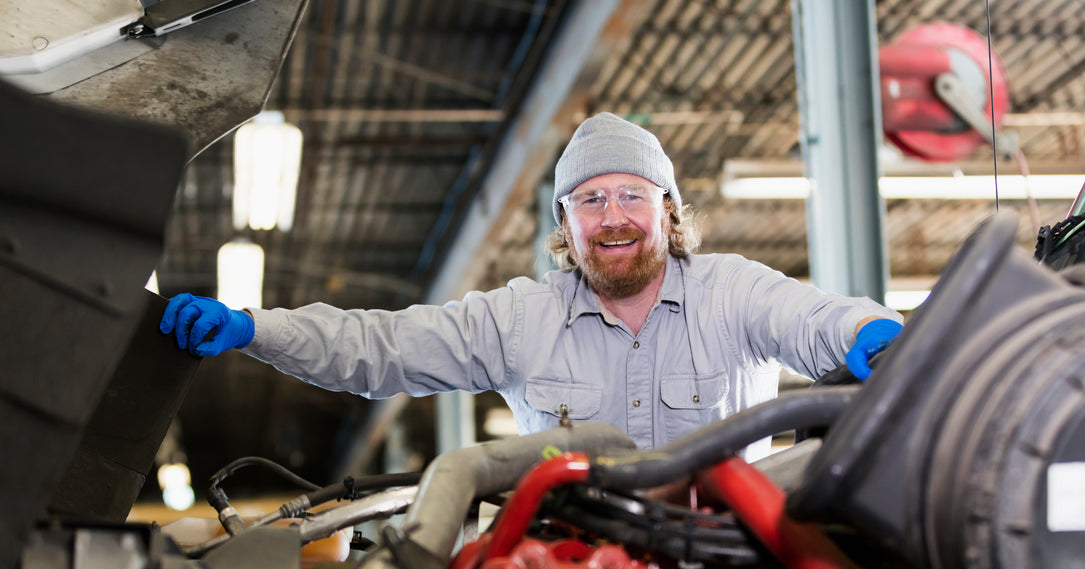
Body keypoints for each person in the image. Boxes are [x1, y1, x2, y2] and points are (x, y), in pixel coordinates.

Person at [161, 112, 903, 460]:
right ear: (565, 224)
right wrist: (255, 328)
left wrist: (871, 334)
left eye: (632, 196)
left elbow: (816, 320)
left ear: (668, 211)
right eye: (590, 200)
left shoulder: (733, 291)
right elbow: (382, 348)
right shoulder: (521, 318)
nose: (613, 218)